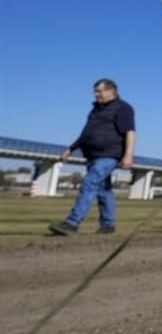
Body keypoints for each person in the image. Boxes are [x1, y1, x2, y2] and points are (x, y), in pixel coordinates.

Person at [50, 79, 135, 235]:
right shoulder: (96, 110)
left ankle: (72, 222)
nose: (96, 95)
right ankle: (108, 225)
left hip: (108, 154)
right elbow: (86, 134)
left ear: (111, 91)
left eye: (99, 91)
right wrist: (70, 149)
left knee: (89, 184)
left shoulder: (122, 108)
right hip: (92, 156)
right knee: (104, 190)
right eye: (95, 91)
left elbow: (129, 132)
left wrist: (128, 155)